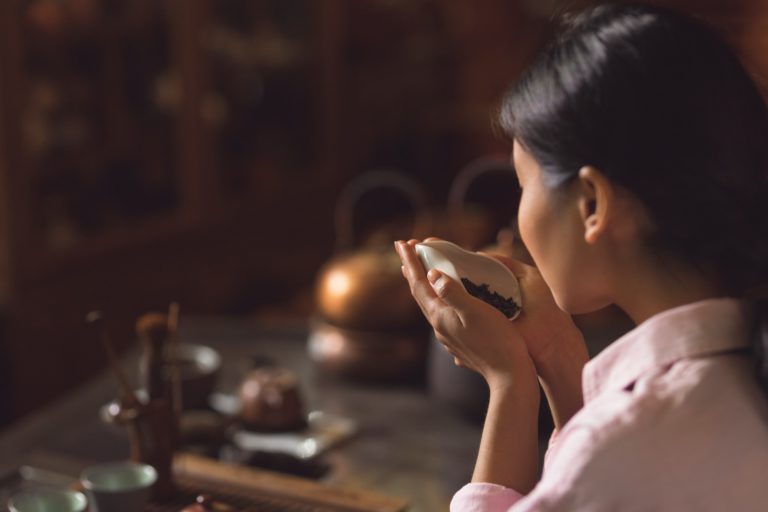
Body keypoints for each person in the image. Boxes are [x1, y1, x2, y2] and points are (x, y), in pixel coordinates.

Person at [395, 3, 768, 510]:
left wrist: (509, 384)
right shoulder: (738, 377)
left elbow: (601, 469)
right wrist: (556, 354)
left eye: (524, 184)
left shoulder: (620, 449)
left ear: (591, 204)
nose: (519, 215)